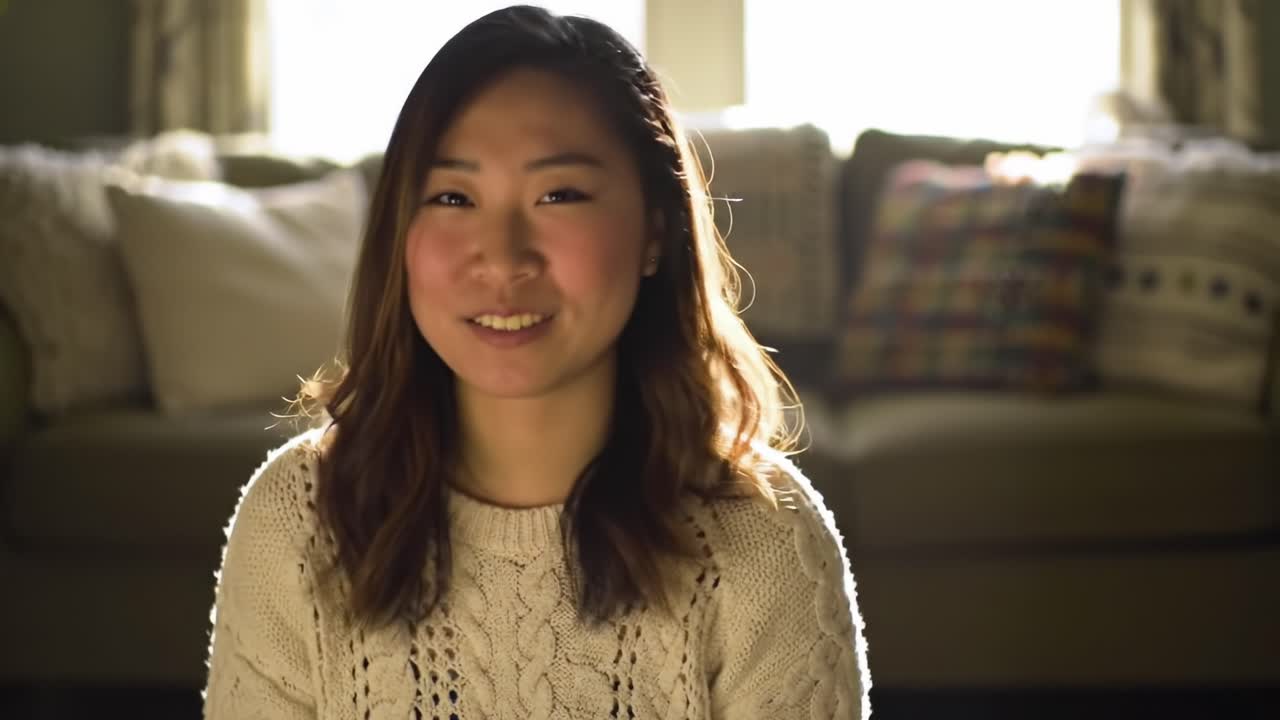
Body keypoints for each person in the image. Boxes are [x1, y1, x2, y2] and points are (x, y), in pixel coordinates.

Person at [202, 5, 871, 718]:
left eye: (559, 195)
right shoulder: (298, 518)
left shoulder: (765, 540)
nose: (504, 256)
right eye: (453, 196)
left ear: (656, 230)